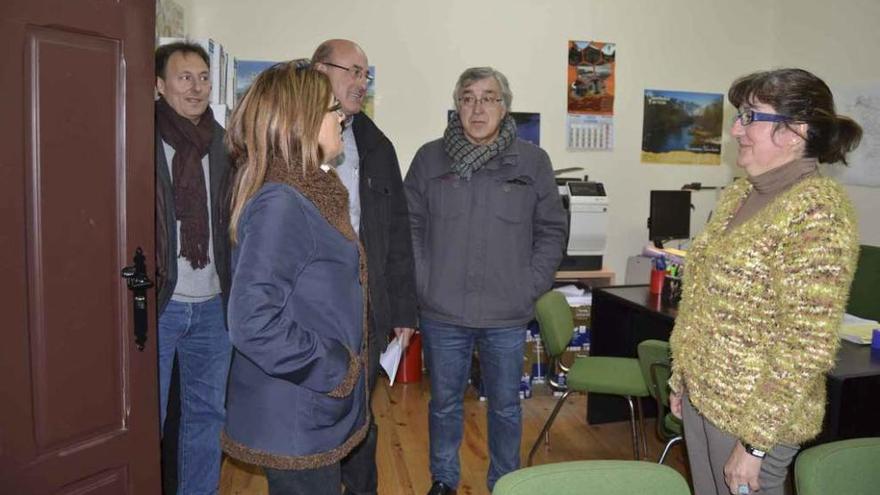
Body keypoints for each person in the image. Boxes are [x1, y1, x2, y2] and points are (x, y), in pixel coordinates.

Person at [668, 68, 862, 495]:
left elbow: (806, 344)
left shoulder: (817, 212)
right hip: (707, 396)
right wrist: (682, 375)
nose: (736, 128)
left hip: (755, 415)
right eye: (740, 115)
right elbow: (703, 298)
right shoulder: (740, 195)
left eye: (751, 116)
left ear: (796, 131)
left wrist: (755, 445)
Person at [404, 67, 567, 494]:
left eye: (488, 98)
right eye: (468, 98)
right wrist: (424, 283)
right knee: (443, 406)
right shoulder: (429, 158)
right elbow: (410, 227)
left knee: (507, 409)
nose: (478, 108)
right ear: (457, 106)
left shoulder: (532, 162)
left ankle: (504, 482)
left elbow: (551, 230)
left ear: (504, 106)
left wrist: (529, 285)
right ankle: (443, 480)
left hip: (506, 313)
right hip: (443, 311)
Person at [220, 60, 369, 494]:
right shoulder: (282, 203)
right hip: (296, 410)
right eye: (330, 108)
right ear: (299, 122)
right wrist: (336, 368)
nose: (341, 115)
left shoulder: (307, 190)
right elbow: (251, 323)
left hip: (308, 405)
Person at [312, 39, 419, 494]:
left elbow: (397, 235)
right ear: (319, 71)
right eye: (351, 71)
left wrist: (403, 312)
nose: (360, 82)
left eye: (365, 74)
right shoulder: (287, 138)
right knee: (314, 414)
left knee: (359, 413)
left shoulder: (378, 147)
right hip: (309, 309)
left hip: (364, 305)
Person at [154, 41, 233, 494]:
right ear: (160, 85)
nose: (197, 87)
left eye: (203, 77)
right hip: (161, 304)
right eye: (185, 77)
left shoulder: (223, 143)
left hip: (212, 307)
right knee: (152, 419)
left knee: (207, 417)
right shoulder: (140, 138)